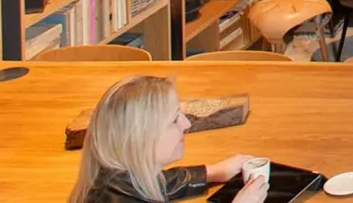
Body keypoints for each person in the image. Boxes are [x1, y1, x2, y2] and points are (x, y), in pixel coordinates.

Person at [69, 75, 266, 203]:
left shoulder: (115, 181)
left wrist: (214, 172)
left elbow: (157, 181)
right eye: (174, 120)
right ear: (141, 138)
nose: (186, 124)